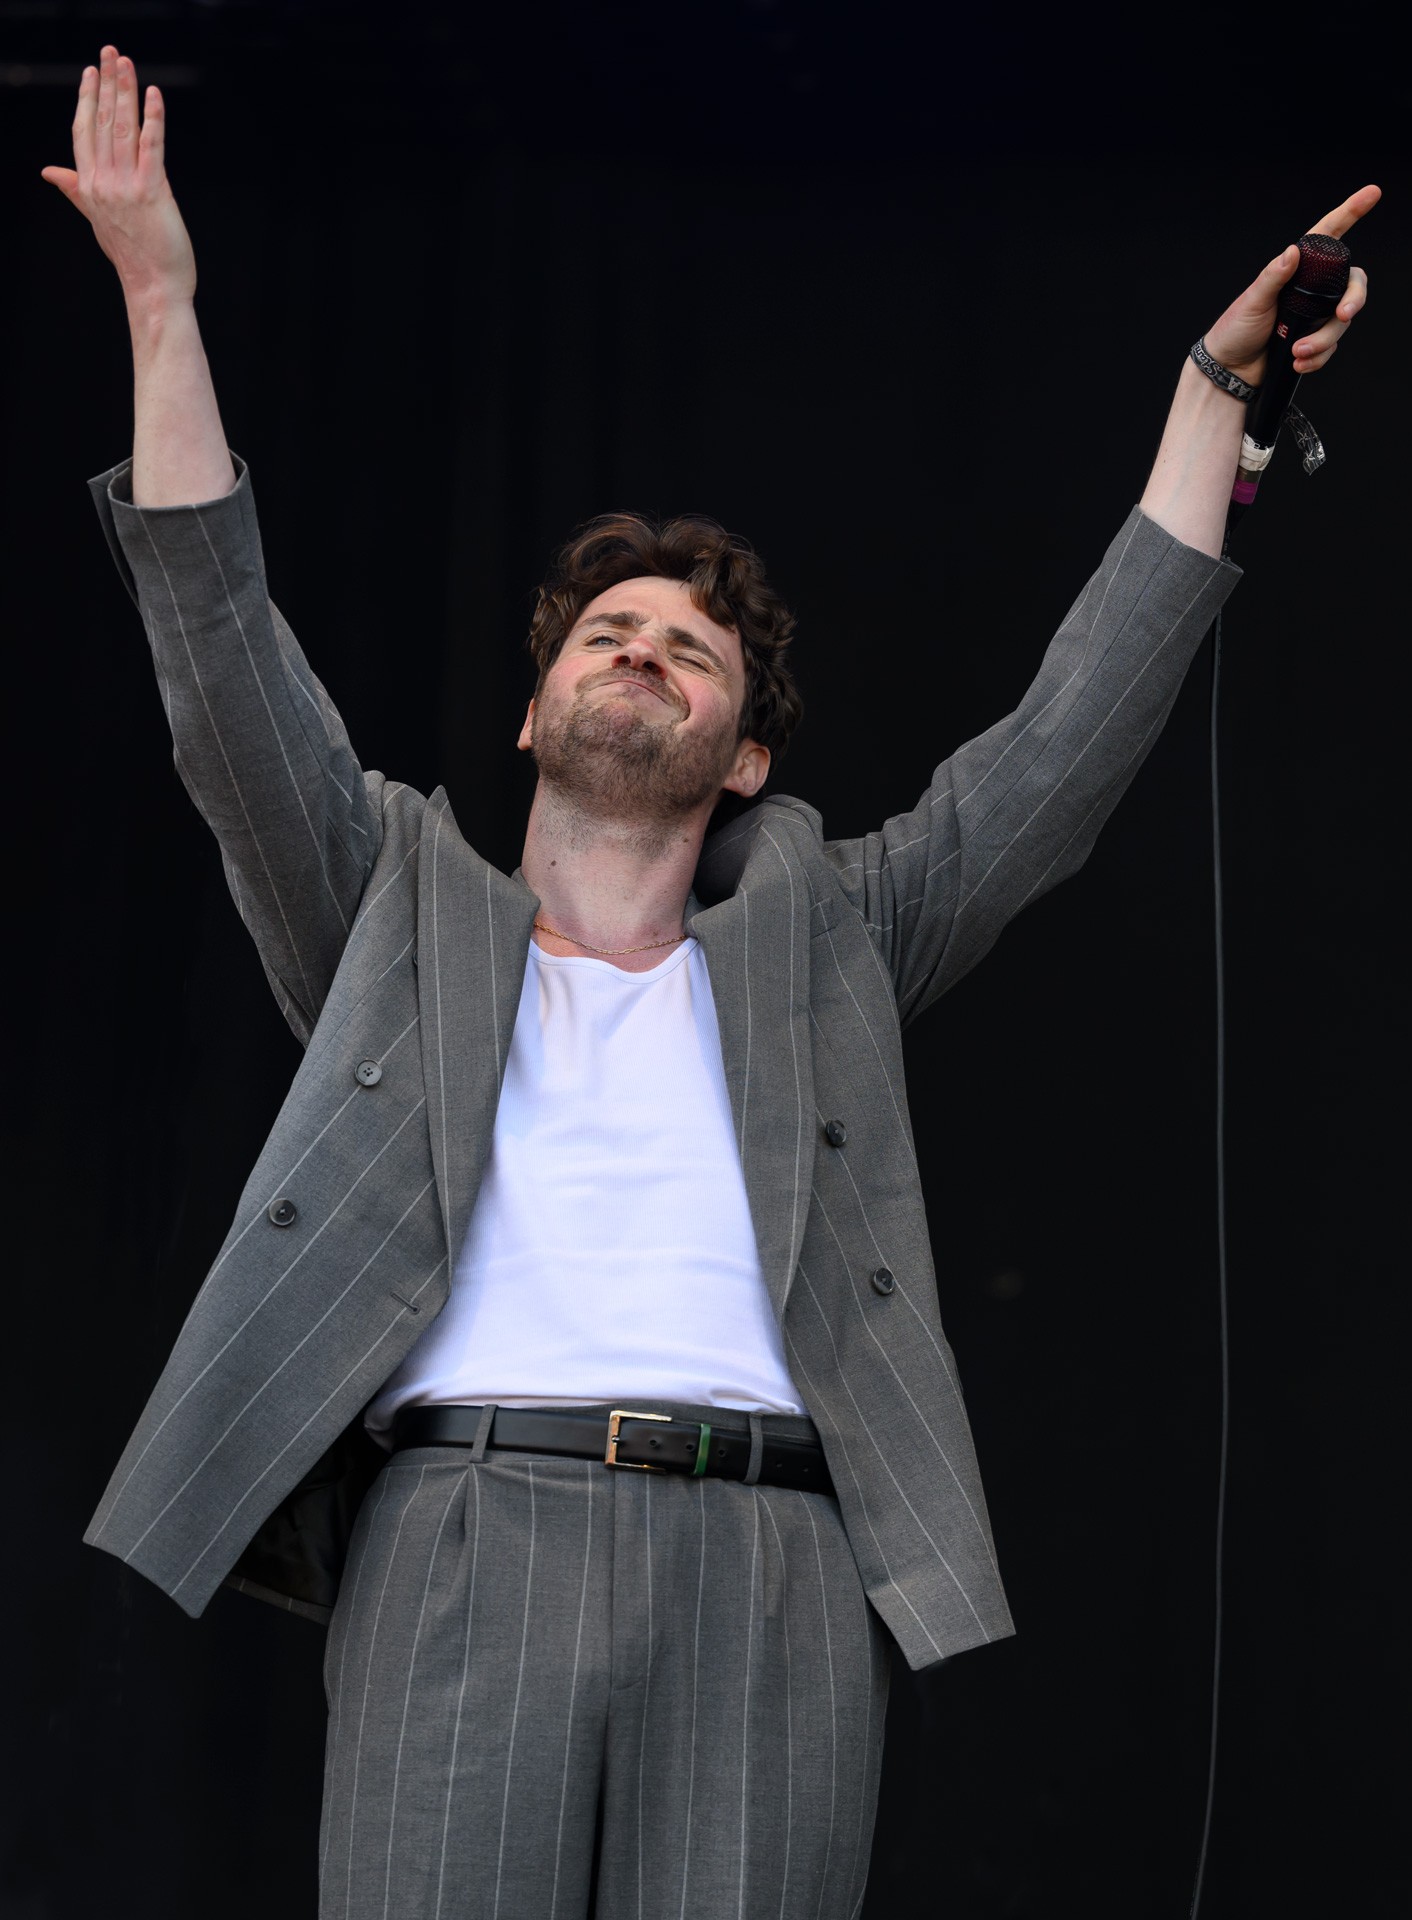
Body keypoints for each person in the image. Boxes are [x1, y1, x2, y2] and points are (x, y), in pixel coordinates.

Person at [44, 43, 1377, 1920]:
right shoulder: (389, 906)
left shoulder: (833, 937)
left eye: (692, 648)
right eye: (610, 631)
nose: (645, 653)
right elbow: (223, 668)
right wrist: (160, 299)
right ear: (534, 714)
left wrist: (1210, 400)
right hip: (465, 1532)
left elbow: (1061, 748)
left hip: (772, 1561)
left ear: (745, 753)